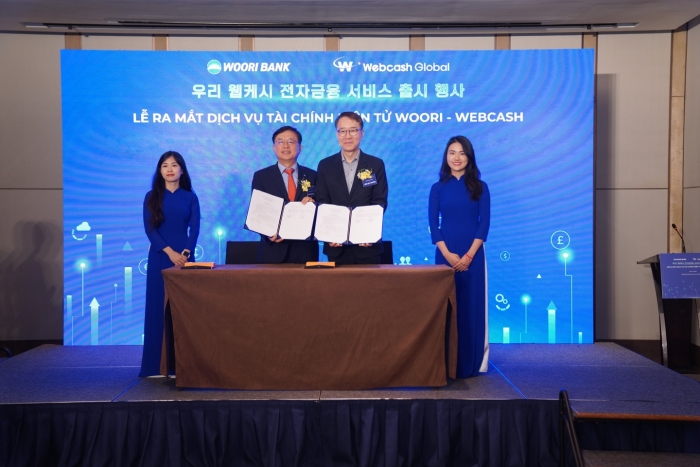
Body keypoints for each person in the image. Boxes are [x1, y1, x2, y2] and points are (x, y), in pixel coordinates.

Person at [429, 136, 490, 378]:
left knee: (471, 307)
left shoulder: (481, 187)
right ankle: (444, 364)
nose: (456, 157)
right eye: (452, 152)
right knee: (445, 308)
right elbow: (433, 225)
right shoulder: (437, 188)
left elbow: (484, 224)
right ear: (446, 156)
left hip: (473, 254)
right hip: (445, 253)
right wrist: (448, 255)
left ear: (469, 157)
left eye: (462, 153)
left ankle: (470, 364)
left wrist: (468, 256)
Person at [140, 151, 200, 377]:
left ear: (182, 170)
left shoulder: (190, 197)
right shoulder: (151, 197)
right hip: (160, 256)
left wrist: (184, 253)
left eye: (174, 165)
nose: (170, 169)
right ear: (160, 171)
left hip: (185, 259)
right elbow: (150, 230)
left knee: (182, 310)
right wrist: (170, 252)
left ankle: (180, 366)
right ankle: (155, 366)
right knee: (157, 308)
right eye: (165, 165)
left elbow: (195, 229)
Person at [315, 111, 388, 264]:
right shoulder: (325, 165)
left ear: (362, 133)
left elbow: (379, 200)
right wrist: (330, 233)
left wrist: (369, 231)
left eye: (353, 130)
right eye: (342, 131)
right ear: (337, 134)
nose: (347, 136)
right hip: (336, 244)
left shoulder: (375, 164)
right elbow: (322, 200)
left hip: (367, 244)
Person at [251, 126, 319, 263]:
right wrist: (268, 233)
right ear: (273, 148)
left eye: (291, 141)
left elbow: (322, 206)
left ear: (300, 147)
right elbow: (257, 212)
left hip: (305, 250)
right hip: (273, 250)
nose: (286, 146)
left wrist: (314, 204)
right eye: (280, 142)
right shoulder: (262, 176)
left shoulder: (313, 175)